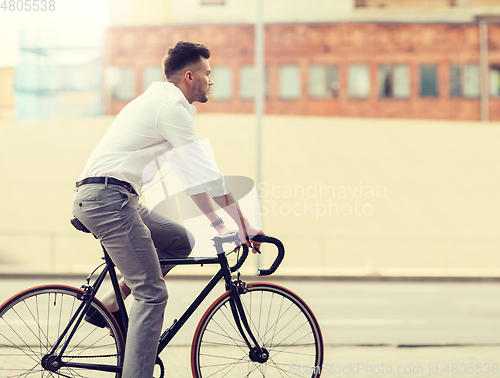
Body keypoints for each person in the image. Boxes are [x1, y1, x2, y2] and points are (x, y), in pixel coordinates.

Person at [71, 41, 263, 378]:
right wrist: (245, 225)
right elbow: (209, 175)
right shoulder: (170, 108)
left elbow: (192, 177)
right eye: (207, 73)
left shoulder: (160, 102)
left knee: (178, 240)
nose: (211, 80)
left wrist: (218, 221)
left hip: (116, 197)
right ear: (190, 76)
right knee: (152, 293)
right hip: (108, 200)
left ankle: (108, 306)